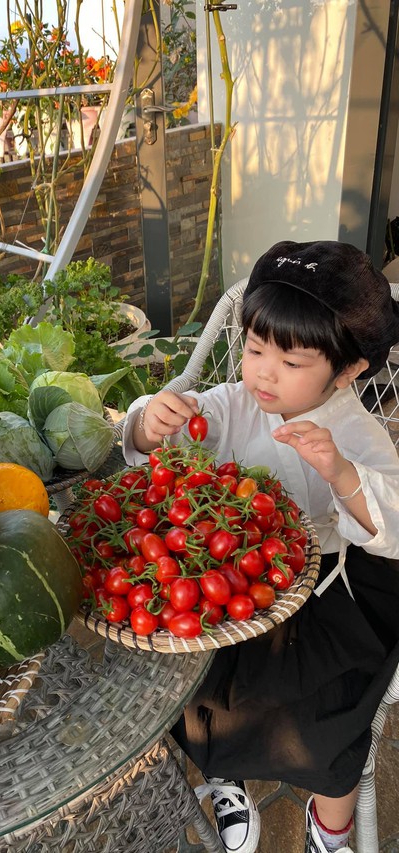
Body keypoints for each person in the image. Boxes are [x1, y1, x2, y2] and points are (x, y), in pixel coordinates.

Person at [121, 240, 399, 853]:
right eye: (253, 350)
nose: (264, 374)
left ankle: (330, 824)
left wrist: (342, 473)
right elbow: (152, 437)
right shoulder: (232, 405)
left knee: (336, 715)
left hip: (324, 588)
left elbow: (394, 521)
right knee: (190, 683)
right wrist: (150, 420)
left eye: (292, 361)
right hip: (234, 579)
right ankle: (225, 776)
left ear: (349, 369)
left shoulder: (359, 432)